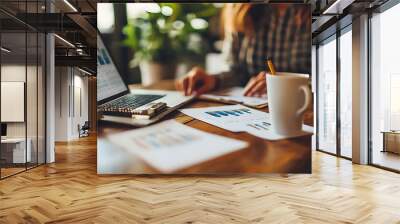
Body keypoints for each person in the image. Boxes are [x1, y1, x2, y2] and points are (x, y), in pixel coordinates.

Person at [175, 3, 311, 97]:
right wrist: (214, 80)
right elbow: (238, 72)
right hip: (254, 109)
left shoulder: (320, 9)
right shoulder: (240, 9)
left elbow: (329, 78)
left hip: (306, 111)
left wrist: (286, 84)